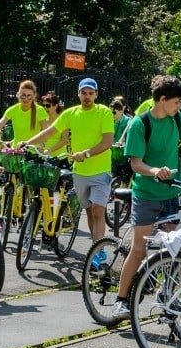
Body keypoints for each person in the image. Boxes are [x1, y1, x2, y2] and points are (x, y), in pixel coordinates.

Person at [110, 76, 181, 320]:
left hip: (172, 193)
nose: (180, 107)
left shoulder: (176, 119)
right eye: (177, 102)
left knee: (178, 248)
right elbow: (135, 163)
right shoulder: (141, 124)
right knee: (139, 249)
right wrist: (154, 171)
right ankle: (121, 300)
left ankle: (172, 294)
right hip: (147, 194)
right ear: (162, 100)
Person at [20, 77, 114, 263]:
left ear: (96, 95)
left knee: (98, 211)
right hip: (80, 171)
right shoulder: (72, 113)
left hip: (100, 171)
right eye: (84, 93)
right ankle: (96, 245)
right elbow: (50, 132)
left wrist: (86, 153)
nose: (87, 97)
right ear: (78, 94)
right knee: (88, 211)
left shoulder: (104, 112)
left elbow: (107, 142)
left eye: (91, 93)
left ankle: (99, 253)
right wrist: (28, 143)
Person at [0, 79, 48, 144]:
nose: (26, 99)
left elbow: (45, 132)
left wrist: (41, 146)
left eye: (29, 96)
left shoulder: (40, 110)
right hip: (16, 151)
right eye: (23, 95)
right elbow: (0, 124)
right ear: (18, 95)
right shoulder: (12, 110)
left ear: (34, 96)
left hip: (33, 150)